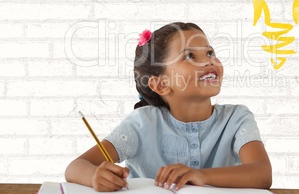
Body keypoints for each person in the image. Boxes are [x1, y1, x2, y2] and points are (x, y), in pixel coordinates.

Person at [65, 22, 272, 192]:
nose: (209, 62)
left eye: (209, 53)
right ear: (161, 84)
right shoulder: (142, 123)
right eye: (190, 56)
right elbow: (75, 168)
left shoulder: (236, 118)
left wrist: (201, 176)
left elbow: (262, 174)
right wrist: (95, 176)